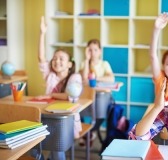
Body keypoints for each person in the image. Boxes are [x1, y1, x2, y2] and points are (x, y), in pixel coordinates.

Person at [37, 16, 83, 160]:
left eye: (61, 59)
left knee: (56, 147)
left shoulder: (75, 77)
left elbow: (68, 96)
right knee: (33, 146)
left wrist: (48, 96)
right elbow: (40, 58)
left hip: (66, 120)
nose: (57, 61)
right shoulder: (50, 76)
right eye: (55, 58)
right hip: (48, 117)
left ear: (70, 64)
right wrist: (42, 34)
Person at [79, 38, 115, 146]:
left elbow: (111, 78)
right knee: (78, 111)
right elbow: (84, 78)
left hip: (101, 96)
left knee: (100, 115)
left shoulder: (104, 64)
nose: (93, 52)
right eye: (90, 50)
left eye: (95, 50)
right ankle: (85, 131)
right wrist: (86, 60)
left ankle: (90, 132)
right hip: (87, 96)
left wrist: (96, 77)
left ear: (100, 51)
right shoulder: (84, 63)